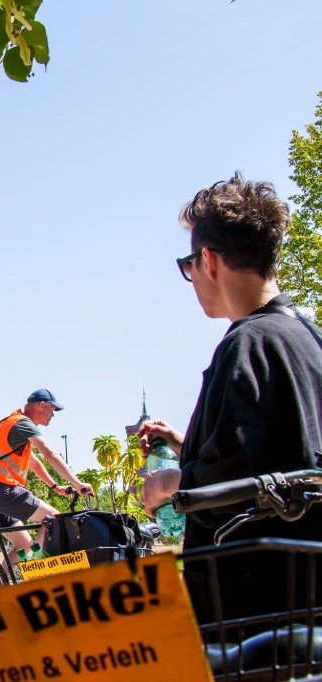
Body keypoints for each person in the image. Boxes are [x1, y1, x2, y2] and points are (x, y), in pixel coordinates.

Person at [139, 173, 322, 624]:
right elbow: (277, 457)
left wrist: (162, 486)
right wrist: (187, 444)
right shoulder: (306, 337)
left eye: (190, 267)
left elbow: (231, 485)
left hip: (251, 614)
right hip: (304, 601)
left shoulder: (246, 345)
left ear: (210, 261)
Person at [0, 389, 92, 567]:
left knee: (24, 545)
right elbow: (50, 454)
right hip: (0, 490)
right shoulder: (23, 424)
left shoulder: (13, 423)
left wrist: (55, 487)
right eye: (52, 409)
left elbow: (34, 463)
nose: (53, 415)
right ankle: (38, 569)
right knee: (54, 519)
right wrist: (78, 483)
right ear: (41, 406)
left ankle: (0, 589)